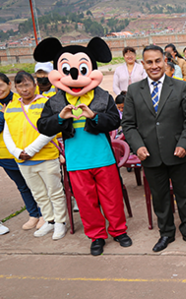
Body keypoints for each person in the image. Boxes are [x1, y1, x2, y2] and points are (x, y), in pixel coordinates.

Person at [36, 36, 131, 256]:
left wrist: (94, 117)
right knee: (87, 203)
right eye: (67, 68)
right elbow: (43, 127)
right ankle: (97, 236)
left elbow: (115, 121)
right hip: (76, 162)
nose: (74, 74)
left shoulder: (102, 97)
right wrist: (59, 118)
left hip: (104, 158)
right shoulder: (54, 102)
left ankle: (118, 231)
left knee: (112, 198)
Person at [122, 45, 186, 252]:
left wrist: (184, 144)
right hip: (150, 155)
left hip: (178, 152)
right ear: (143, 64)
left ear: (165, 62)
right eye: (149, 62)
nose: (154, 66)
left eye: (158, 61)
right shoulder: (133, 90)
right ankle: (166, 233)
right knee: (160, 197)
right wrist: (137, 147)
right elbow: (128, 124)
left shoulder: (180, 86)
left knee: (184, 195)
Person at [3, 71, 67, 240]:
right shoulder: (11, 106)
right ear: (15, 88)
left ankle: (60, 222)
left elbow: (50, 130)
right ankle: (50, 220)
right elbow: (7, 133)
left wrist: (30, 150)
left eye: (27, 85)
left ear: (34, 85)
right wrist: (17, 152)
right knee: (39, 193)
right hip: (23, 161)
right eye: (20, 86)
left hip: (45, 156)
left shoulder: (46, 103)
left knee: (55, 191)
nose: (24, 89)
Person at [0, 72, 44, 231]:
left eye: (0, 86)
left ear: (9, 85)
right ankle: (34, 214)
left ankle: (44, 214)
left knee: (38, 184)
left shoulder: (18, 101)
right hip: (5, 154)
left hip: (28, 151)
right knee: (22, 186)